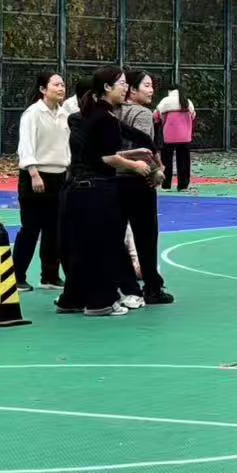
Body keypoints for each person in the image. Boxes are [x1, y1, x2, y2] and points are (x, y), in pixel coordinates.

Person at [55, 69, 153, 317]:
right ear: (107, 87)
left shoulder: (85, 116)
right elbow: (107, 157)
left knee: (81, 247)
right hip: (97, 189)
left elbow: (95, 152)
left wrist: (136, 152)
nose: (125, 88)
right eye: (122, 83)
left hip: (77, 188)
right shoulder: (105, 118)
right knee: (104, 247)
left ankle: (72, 299)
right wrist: (135, 165)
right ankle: (101, 302)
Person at [116, 69, 174, 307]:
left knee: (116, 237)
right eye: (146, 85)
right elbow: (144, 148)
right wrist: (156, 171)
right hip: (138, 180)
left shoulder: (110, 111)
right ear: (132, 89)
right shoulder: (142, 113)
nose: (151, 90)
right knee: (146, 237)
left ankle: (126, 285)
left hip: (113, 180)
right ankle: (152, 287)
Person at [14, 71, 69, 293]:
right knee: (30, 229)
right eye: (56, 85)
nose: (61, 88)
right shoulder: (32, 113)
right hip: (36, 177)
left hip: (59, 176)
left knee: (54, 230)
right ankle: (17, 277)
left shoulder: (64, 114)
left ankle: (50, 276)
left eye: (63, 84)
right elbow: (26, 146)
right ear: (43, 89)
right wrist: (34, 173)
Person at [155, 83, 196, 191]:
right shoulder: (187, 102)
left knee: (166, 161)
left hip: (169, 137)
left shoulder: (165, 101)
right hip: (185, 137)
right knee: (184, 161)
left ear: (170, 91)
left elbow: (156, 116)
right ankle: (183, 185)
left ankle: (166, 185)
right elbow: (193, 116)